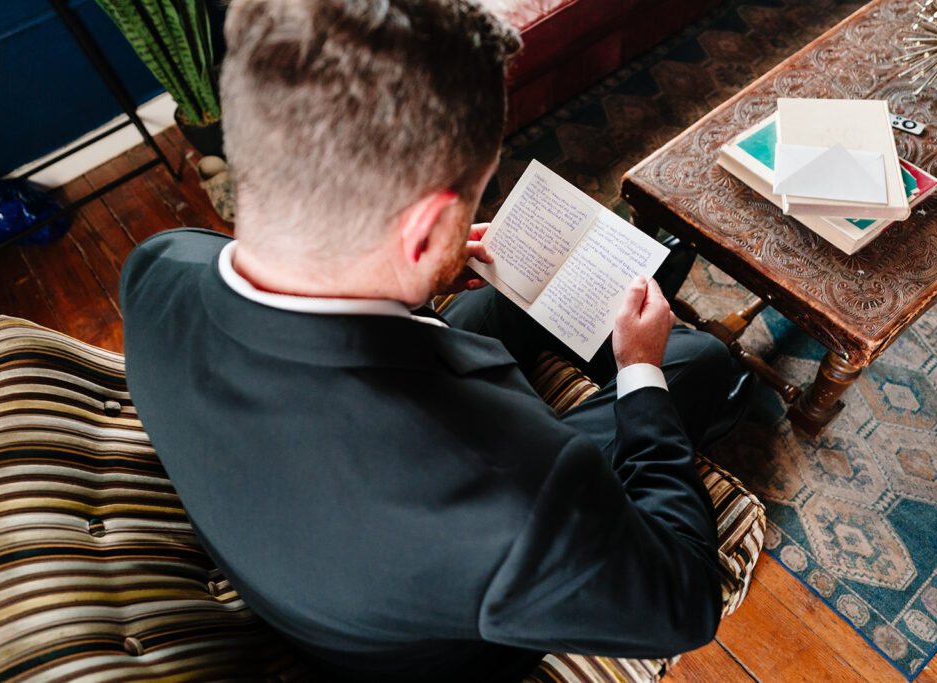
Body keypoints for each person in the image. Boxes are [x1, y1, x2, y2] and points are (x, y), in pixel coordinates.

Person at [120, 0, 742, 680]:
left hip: (313, 488)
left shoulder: (158, 266)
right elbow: (684, 601)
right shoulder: (514, 494)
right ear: (420, 229)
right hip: (443, 614)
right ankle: (651, 340)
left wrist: (420, 274)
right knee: (695, 360)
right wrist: (640, 371)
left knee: (514, 293)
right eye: (478, 192)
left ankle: (628, 289)